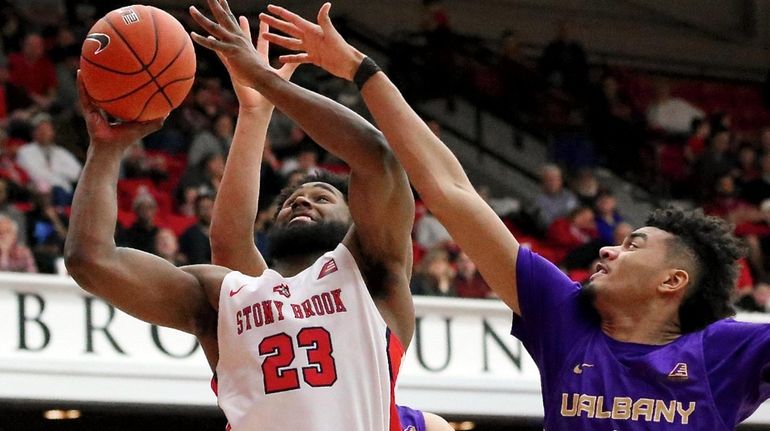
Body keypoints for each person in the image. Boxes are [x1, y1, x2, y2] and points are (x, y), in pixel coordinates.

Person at [261, 4, 770, 429]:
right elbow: (451, 189)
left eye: (634, 245)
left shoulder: (724, 351)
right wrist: (361, 70)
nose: (608, 248)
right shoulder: (564, 316)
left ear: (673, 280)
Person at [67, 5, 414, 431]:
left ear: (356, 220)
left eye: (321, 196)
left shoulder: (373, 278)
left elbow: (377, 158)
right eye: (290, 201)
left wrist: (264, 81)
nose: (301, 202)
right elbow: (91, 260)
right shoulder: (225, 296)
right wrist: (105, 149)